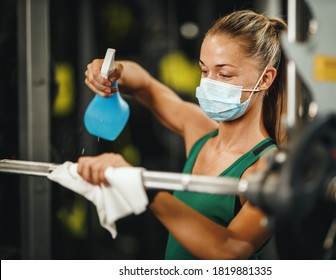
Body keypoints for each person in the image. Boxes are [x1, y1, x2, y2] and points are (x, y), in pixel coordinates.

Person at [80, 9, 287, 260]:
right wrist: (115, 71)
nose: (209, 83)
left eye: (224, 74)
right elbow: (144, 84)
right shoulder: (201, 130)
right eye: (204, 71)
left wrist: (143, 186)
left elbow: (231, 248)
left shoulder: (268, 168)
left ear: (265, 79)